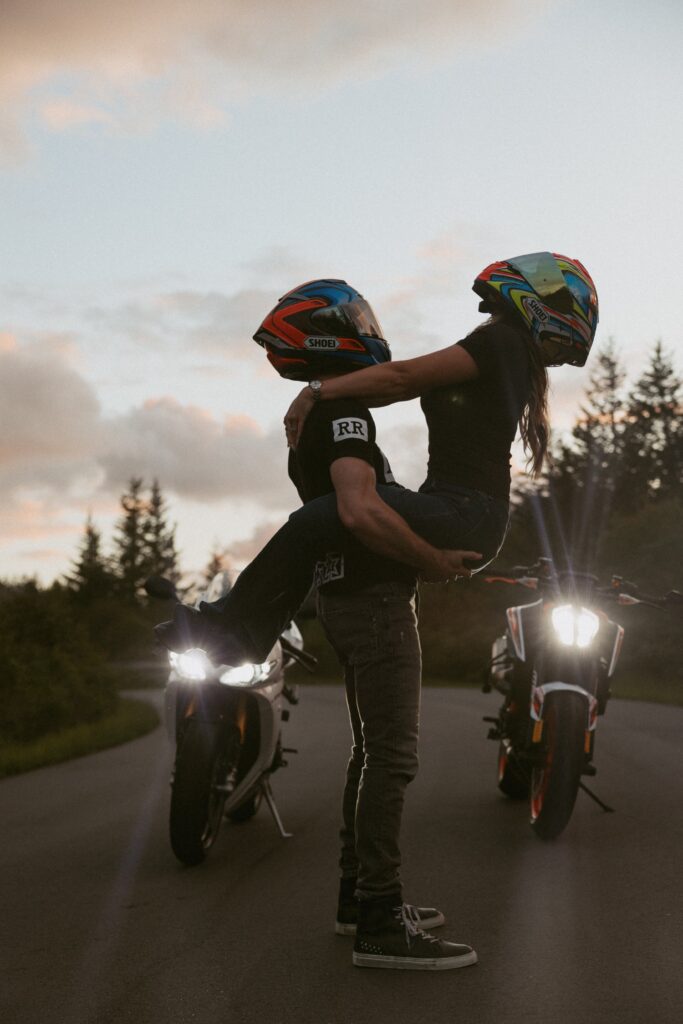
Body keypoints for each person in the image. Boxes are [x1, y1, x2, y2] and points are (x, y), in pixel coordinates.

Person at [157, 252, 599, 670]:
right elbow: (390, 388)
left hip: (465, 513)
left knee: (320, 517)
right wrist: (323, 398)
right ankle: (242, 633)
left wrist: (314, 393)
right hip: (465, 511)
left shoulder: (500, 342)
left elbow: (402, 378)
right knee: (329, 519)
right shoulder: (505, 350)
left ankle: (232, 630)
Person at [259, 279, 478, 970]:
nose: (368, 326)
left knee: (367, 752)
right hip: (373, 603)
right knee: (392, 758)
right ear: (329, 333)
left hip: (340, 600)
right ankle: (381, 923)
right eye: (355, 318)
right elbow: (357, 510)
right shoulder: (345, 409)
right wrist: (433, 561)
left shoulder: (321, 415)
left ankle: (359, 900)